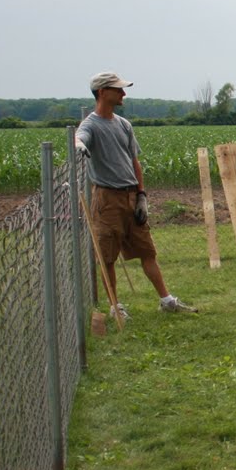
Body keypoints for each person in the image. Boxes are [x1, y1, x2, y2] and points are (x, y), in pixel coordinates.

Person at [75, 71, 195, 317]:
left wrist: (141, 195)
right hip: (107, 200)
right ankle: (115, 308)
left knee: (147, 251)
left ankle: (167, 301)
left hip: (131, 196)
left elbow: (134, 162)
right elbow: (80, 137)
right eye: (118, 89)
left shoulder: (123, 124)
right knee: (107, 255)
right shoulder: (91, 124)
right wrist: (78, 145)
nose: (123, 93)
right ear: (102, 92)